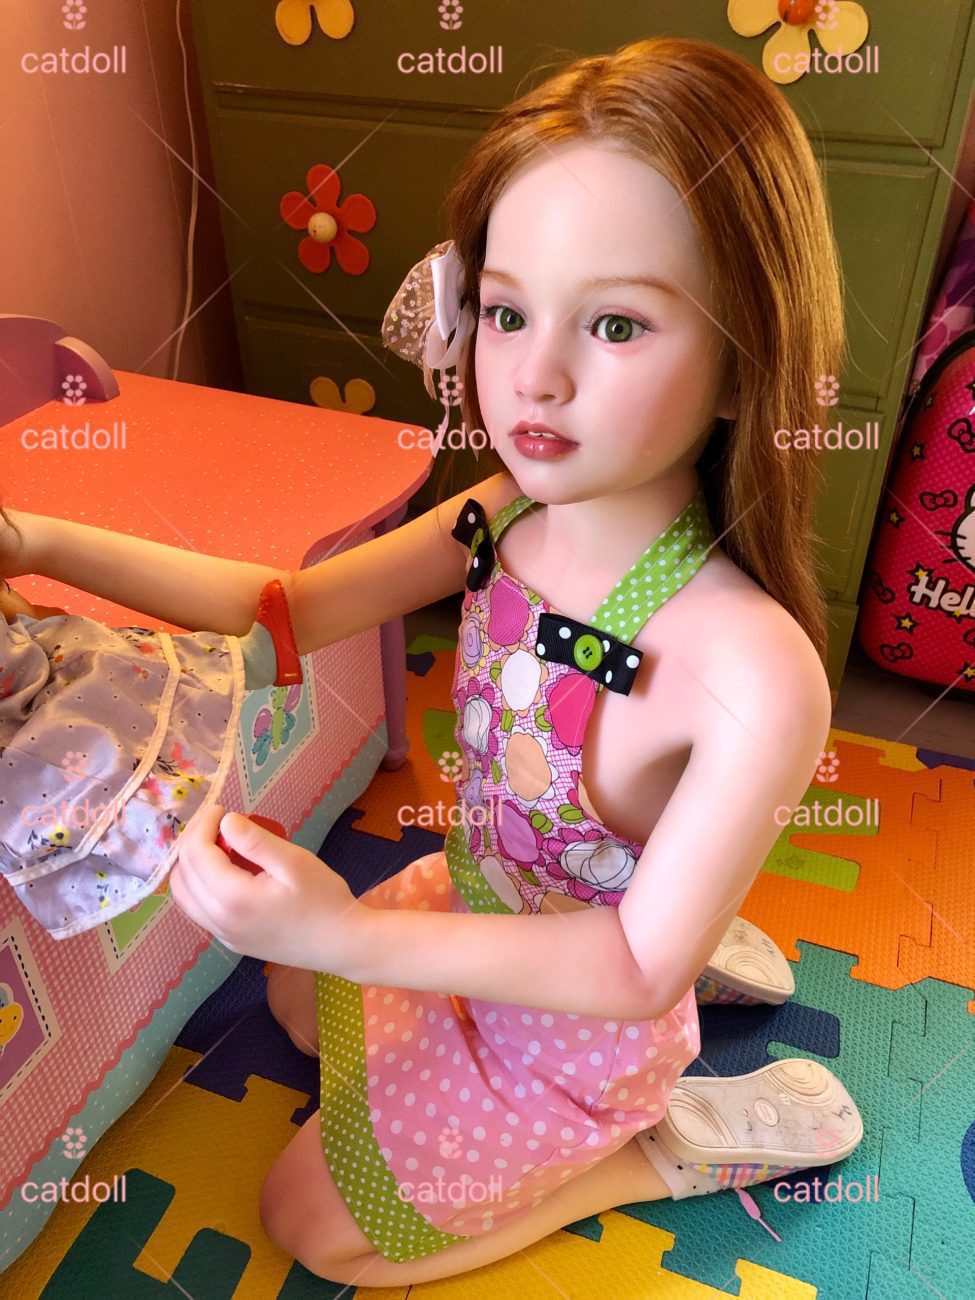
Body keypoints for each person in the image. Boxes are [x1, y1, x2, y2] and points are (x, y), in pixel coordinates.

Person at [2, 35, 865, 1287]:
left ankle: (655, 1145)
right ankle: (693, 929)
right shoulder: (500, 515)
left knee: (309, 1224)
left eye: (616, 324)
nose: (536, 375)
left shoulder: (753, 671)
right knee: (291, 1002)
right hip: (479, 910)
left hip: (589, 1018)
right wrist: (35, 537)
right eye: (507, 311)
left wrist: (346, 934)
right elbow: (283, 609)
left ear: (747, 358)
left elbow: (631, 966)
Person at [0, 510, 302, 938]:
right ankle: (195, 858)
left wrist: (33, 616)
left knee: (110, 668)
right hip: (16, 741)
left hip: (34, 669)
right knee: (73, 781)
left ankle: (244, 662)